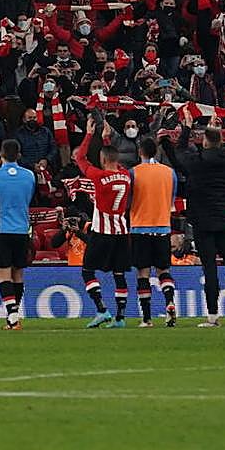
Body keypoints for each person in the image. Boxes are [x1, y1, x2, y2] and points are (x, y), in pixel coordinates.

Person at [177, 109, 225, 326]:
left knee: (210, 268)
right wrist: (215, 128)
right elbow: (221, 146)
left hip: (203, 221)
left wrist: (186, 126)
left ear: (204, 142)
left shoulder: (198, 162)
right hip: (224, 218)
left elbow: (180, 151)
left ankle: (213, 316)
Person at [73, 118, 133, 329]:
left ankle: (101, 310)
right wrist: (106, 137)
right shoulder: (126, 176)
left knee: (87, 271)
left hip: (102, 231)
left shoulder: (99, 176)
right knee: (119, 274)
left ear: (103, 159)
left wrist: (90, 134)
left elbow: (80, 158)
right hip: (122, 231)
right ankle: (121, 318)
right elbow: (118, 162)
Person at [129, 137, 178, 327]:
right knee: (163, 270)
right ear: (156, 152)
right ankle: (170, 303)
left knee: (143, 273)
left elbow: (128, 200)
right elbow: (171, 200)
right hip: (163, 228)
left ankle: (147, 318)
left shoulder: (133, 173)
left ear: (140, 152)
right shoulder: (169, 173)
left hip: (140, 228)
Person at [0, 139, 36, 330]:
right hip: (22, 230)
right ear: (19, 154)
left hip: (1, 230)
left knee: (3, 275)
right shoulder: (29, 176)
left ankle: (12, 316)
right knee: (18, 274)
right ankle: (13, 317)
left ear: (1, 155)